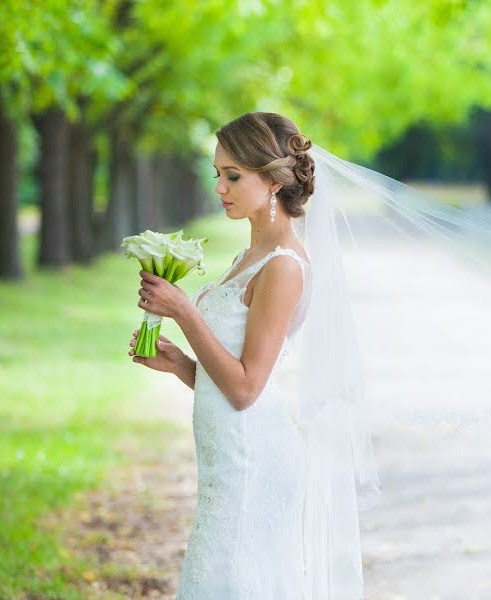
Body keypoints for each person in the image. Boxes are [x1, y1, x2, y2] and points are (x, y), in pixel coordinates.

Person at [127, 112, 372, 599]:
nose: (220, 187)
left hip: (253, 462)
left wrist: (183, 311)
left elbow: (245, 390)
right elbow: (231, 378)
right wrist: (181, 365)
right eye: (218, 173)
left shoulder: (284, 268)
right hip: (231, 456)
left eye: (233, 175)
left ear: (275, 180)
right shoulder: (247, 259)